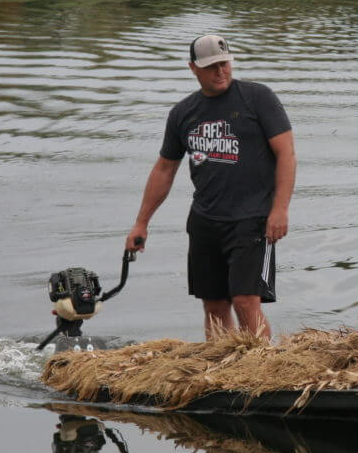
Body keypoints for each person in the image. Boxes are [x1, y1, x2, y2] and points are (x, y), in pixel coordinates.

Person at [125, 35, 296, 340]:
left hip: (252, 219)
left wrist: (280, 209)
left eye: (224, 64)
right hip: (205, 221)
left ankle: (260, 373)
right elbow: (165, 169)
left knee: (245, 301)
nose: (220, 72)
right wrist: (141, 222)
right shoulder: (183, 113)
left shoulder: (258, 98)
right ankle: (222, 373)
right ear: (193, 68)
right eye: (211, 66)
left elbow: (287, 154)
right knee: (215, 306)